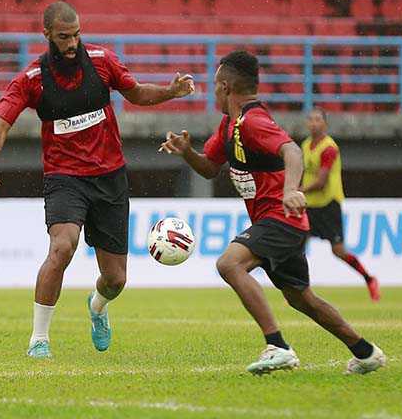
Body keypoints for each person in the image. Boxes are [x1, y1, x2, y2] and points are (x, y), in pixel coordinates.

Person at [0, 1, 194, 358]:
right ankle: (39, 339)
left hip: (110, 177)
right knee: (62, 247)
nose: (72, 43)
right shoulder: (32, 79)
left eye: (76, 34)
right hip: (65, 177)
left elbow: (135, 93)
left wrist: (170, 91)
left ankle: (97, 308)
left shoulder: (102, 61)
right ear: (47, 35)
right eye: (63, 37)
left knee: (116, 279)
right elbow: (0, 124)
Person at [160, 50, 385, 375]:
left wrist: (291, 190)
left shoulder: (253, 121)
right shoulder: (230, 125)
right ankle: (366, 352)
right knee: (300, 298)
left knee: (229, 264)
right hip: (279, 221)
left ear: (225, 87)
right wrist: (187, 153)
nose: (213, 92)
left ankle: (277, 346)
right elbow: (210, 168)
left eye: (214, 86)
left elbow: (291, 150)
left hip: (280, 218)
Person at [300, 107, 380, 301]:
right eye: (310, 120)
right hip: (309, 207)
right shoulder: (305, 145)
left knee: (339, 251)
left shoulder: (329, 148)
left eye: (318, 120)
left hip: (328, 205)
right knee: (296, 246)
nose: (313, 123)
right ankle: (298, 289)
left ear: (325, 124)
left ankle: (369, 279)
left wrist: (297, 190)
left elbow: (320, 183)